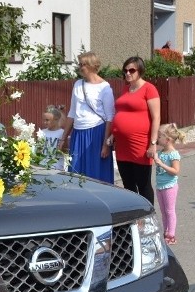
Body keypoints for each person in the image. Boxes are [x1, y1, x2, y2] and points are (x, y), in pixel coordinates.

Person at [59, 52, 114, 183]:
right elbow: (72, 112)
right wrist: (63, 138)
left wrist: (105, 144)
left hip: (97, 133)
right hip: (78, 133)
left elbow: (110, 117)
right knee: (77, 171)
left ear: (92, 66)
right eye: (79, 64)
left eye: (82, 65)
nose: (80, 68)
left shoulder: (105, 88)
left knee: (96, 172)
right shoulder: (78, 84)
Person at [112, 56, 161, 204]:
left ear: (140, 70)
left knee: (143, 185)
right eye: (125, 70)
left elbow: (156, 117)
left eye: (131, 70)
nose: (127, 73)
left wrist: (153, 143)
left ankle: (147, 220)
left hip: (140, 144)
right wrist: (113, 134)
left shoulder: (149, 88)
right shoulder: (126, 89)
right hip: (123, 146)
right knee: (128, 186)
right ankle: (133, 219)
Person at [154, 123, 185, 245]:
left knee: (169, 210)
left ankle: (171, 235)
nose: (157, 139)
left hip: (169, 186)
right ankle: (166, 232)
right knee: (163, 211)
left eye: (159, 136)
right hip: (160, 186)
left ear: (167, 140)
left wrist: (161, 164)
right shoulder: (161, 152)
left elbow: (175, 171)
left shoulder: (173, 154)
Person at [40, 105, 65, 171]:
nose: (45, 122)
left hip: (56, 168)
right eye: (44, 120)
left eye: (47, 120)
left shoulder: (62, 134)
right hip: (42, 166)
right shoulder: (42, 132)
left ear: (56, 120)